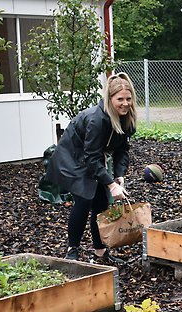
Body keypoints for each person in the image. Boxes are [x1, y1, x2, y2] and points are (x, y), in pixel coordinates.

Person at [48, 73, 137, 263]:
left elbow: (122, 150)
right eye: (120, 99)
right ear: (110, 99)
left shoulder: (127, 118)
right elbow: (91, 157)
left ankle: (100, 252)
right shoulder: (97, 120)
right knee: (84, 198)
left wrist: (119, 176)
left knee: (101, 203)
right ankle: (72, 251)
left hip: (91, 156)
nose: (125, 103)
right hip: (72, 158)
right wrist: (111, 184)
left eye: (128, 99)